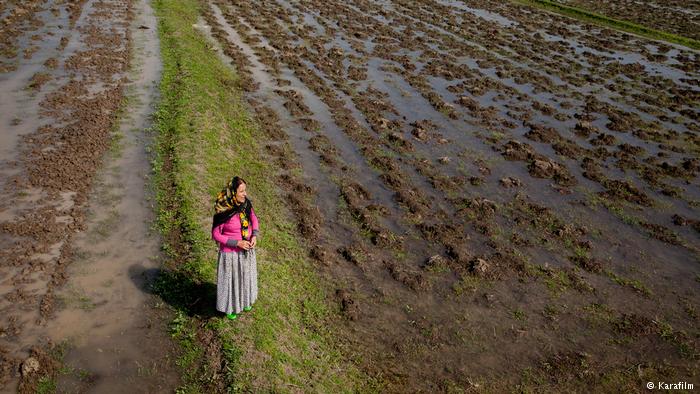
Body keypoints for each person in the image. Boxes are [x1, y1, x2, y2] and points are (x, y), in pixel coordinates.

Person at [211, 176, 259, 320]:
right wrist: (237, 243)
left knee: (245, 277)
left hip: (247, 250)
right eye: (241, 191)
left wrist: (254, 235)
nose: (245, 194)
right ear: (233, 193)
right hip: (231, 254)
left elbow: (254, 219)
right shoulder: (223, 211)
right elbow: (216, 235)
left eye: (245, 190)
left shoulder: (245, 204)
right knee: (232, 282)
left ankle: (245, 301)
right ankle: (230, 307)